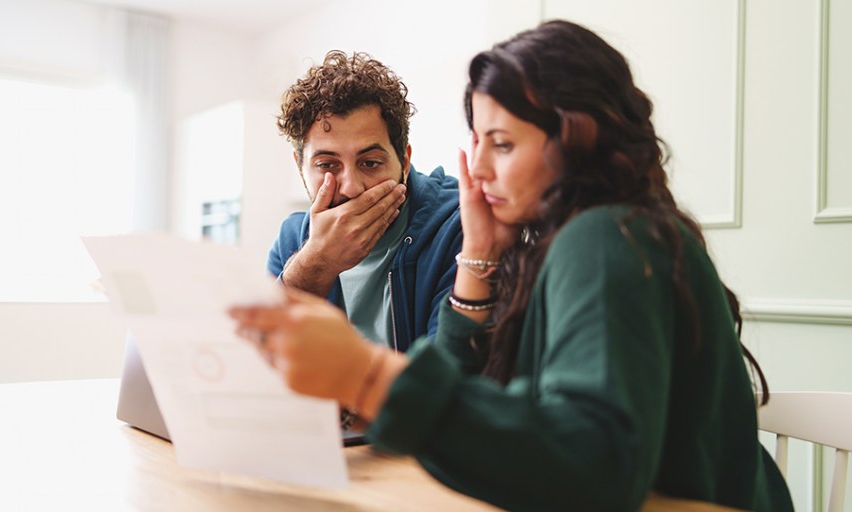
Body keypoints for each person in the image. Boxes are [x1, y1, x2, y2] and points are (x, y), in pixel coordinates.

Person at [231, 20, 794, 511]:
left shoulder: (604, 238)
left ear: (576, 141)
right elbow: (502, 414)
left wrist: (367, 376)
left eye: (501, 144)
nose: (475, 166)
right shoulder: (574, 237)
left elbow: (594, 469)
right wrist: (480, 256)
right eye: (478, 141)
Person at [267, 50, 462, 353]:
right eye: (327, 165)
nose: (351, 187)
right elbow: (259, 363)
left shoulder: (456, 228)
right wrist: (315, 263)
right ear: (299, 167)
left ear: (404, 161)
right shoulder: (293, 240)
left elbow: (448, 382)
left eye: (370, 163)